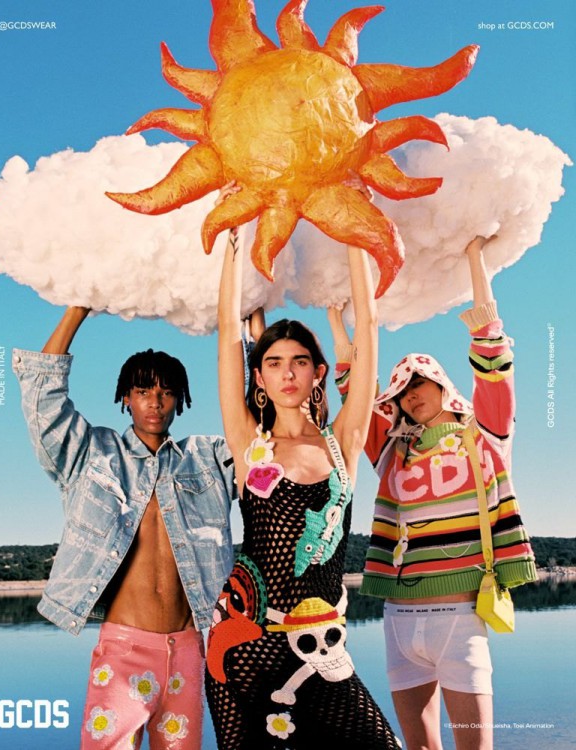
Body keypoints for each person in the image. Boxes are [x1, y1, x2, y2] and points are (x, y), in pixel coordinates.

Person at [204, 179, 401, 749]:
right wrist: (234, 238)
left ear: (318, 372)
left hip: (324, 650)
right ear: (259, 377)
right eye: (273, 362)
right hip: (244, 648)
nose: (286, 372)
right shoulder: (249, 442)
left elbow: (368, 328)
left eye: (298, 361)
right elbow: (228, 332)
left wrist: (356, 231)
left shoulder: (344, 441)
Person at [329, 235, 537, 750]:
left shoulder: (484, 435)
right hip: (398, 620)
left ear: (443, 383)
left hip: (460, 621)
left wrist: (474, 257)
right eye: (401, 391)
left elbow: (494, 357)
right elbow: (354, 394)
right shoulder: (392, 450)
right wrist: (337, 322)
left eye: (419, 382)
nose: (410, 395)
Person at [12, 306, 236, 749]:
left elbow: (260, 434)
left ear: (181, 400)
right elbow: (43, 400)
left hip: (190, 651)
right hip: (123, 652)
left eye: (167, 392)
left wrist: (249, 328)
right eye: (143, 391)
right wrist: (78, 309)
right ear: (125, 399)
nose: (155, 402)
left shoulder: (208, 457)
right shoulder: (92, 453)